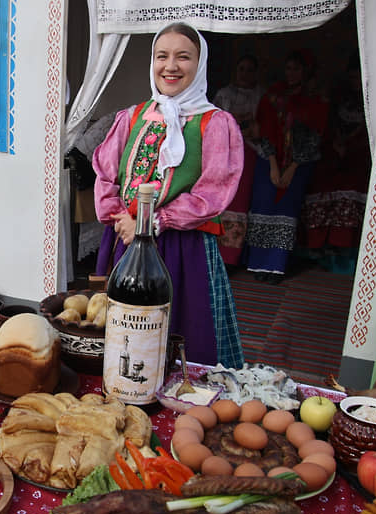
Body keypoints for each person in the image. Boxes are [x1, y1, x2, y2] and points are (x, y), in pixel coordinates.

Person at [93, 21, 245, 368]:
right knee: (122, 334)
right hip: (123, 239)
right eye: (162, 56)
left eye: (183, 57)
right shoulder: (131, 117)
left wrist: (152, 223)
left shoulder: (216, 124)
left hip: (181, 247)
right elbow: (105, 173)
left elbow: (213, 192)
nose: (171, 66)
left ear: (200, 63)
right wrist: (120, 218)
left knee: (182, 330)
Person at [243, 50, 328, 284]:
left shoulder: (315, 99)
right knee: (263, 208)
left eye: (297, 69)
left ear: (306, 72)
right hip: (267, 161)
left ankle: (276, 266)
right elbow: (265, 131)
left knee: (285, 212)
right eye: (289, 68)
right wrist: (272, 165)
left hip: (298, 165)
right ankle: (259, 264)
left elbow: (314, 136)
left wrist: (291, 169)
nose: (292, 74)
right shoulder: (273, 96)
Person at [300, 60, 369, 274]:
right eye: (351, 77)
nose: (354, 82)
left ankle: (345, 250)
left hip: (358, 155)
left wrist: (350, 145)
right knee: (323, 187)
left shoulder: (372, 100)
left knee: (351, 188)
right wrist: (337, 143)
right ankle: (322, 246)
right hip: (334, 152)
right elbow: (329, 125)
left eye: (358, 77)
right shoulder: (340, 99)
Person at [213, 54, 264, 268]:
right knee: (222, 202)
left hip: (250, 154)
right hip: (224, 154)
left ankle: (234, 258)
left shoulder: (262, 95)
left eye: (250, 69)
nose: (245, 74)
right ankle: (219, 257)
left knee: (242, 204)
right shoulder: (224, 94)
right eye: (241, 69)